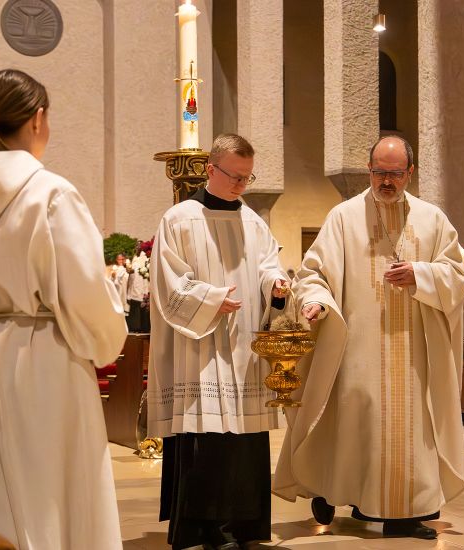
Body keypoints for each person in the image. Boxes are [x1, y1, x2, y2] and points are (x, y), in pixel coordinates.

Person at [0, 69, 128, 549]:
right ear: (38, 119)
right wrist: (106, 341)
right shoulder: (50, 193)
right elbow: (87, 298)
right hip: (41, 366)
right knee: (50, 507)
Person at [273, 136, 464, 540]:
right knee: (353, 424)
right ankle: (335, 492)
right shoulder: (343, 218)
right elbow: (313, 275)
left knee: (408, 431)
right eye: (379, 172)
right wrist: (317, 302)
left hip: (414, 351)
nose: (386, 181)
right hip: (357, 348)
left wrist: (423, 275)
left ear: (410, 173)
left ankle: (404, 512)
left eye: (395, 173)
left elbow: (458, 275)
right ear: (369, 171)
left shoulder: (432, 220)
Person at [148, 133, 289, 550]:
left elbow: (268, 265)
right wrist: (210, 301)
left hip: (242, 349)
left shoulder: (253, 222)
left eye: (247, 177)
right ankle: (206, 528)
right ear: (211, 169)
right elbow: (168, 284)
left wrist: (276, 286)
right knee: (207, 442)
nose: (242, 185)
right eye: (235, 176)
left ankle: (244, 525)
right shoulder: (179, 219)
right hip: (200, 350)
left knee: (244, 442)